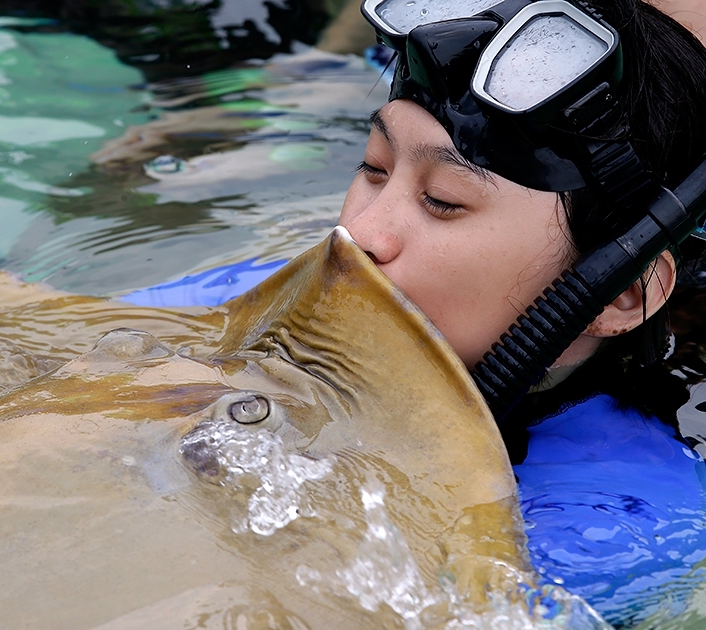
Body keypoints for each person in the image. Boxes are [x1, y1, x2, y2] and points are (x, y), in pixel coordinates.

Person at [125, 0, 706, 625]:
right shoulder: (264, 294)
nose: (362, 235)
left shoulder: (624, 524)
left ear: (620, 296)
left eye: (442, 201)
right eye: (374, 169)